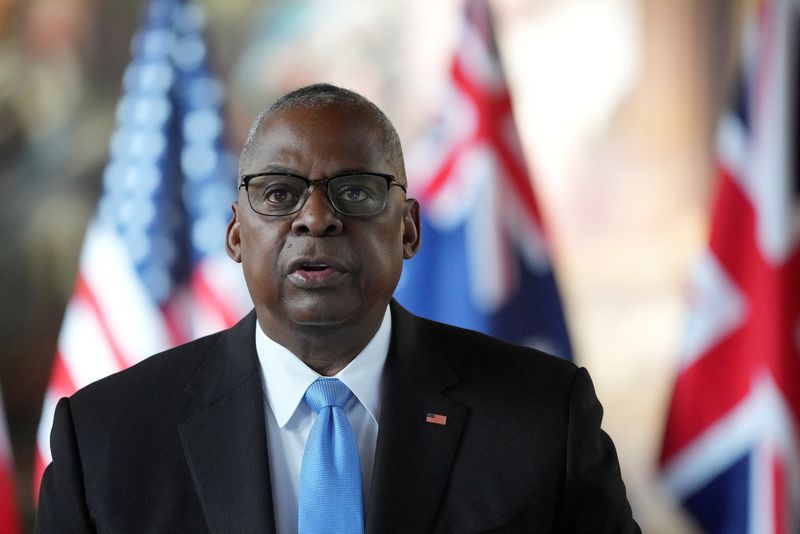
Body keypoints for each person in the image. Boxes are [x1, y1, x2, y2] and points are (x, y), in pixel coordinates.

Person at [35, 83, 640, 533]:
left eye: (356, 191)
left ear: (408, 230)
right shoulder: (107, 441)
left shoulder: (542, 417)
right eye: (278, 193)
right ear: (236, 235)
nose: (317, 218)